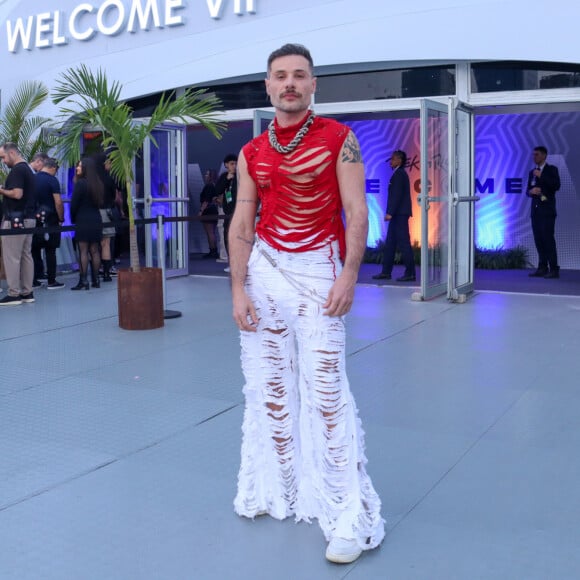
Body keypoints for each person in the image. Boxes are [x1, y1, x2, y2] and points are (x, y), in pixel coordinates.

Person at [228, 43, 385, 564]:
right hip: (263, 277)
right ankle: (283, 492)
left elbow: (356, 211)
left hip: (320, 275)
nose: (289, 83)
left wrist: (350, 273)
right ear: (268, 87)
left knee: (326, 395)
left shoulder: (341, 140)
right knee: (271, 393)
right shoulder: (252, 151)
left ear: (314, 85)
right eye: (280, 76)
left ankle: (347, 516)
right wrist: (236, 287)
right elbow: (242, 222)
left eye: (299, 76)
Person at [0, 142, 36, 305]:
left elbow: (16, 194)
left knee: (12, 257)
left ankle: (14, 293)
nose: (3, 161)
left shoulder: (17, 171)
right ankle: (27, 292)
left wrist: (1, 190)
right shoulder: (28, 170)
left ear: (12, 153)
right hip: (29, 218)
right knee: (26, 255)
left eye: (3, 157)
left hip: (15, 220)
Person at [372, 149, 416, 282]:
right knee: (390, 244)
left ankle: (410, 273)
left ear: (399, 161)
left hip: (399, 215)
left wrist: (390, 212)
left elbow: (397, 196)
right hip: (397, 214)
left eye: (392, 159)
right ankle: (386, 272)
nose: (390, 161)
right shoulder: (398, 174)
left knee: (404, 244)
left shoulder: (399, 175)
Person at [526, 145, 561, 278]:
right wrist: (531, 191)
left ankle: (554, 268)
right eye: (533, 154)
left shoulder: (552, 170)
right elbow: (527, 191)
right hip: (535, 212)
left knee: (548, 240)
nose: (534, 157)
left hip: (547, 211)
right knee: (538, 240)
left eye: (537, 154)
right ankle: (542, 267)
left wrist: (542, 176)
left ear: (544, 156)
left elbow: (556, 186)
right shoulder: (532, 172)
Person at [70, 157, 103, 290]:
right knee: (94, 251)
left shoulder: (81, 184)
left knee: (83, 251)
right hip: (96, 219)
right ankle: (96, 279)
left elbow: (74, 204)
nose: (77, 168)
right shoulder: (98, 183)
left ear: (85, 169)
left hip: (83, 219)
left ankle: (83, 280)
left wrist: (72, 218)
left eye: (79, 166)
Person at [31, 157, 65, 289]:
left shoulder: (32, 178)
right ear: (53, 168)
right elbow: (58, 202)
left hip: (34, 220)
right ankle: (51, 281)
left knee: (34, 250)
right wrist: (61, 218)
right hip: (51, 220)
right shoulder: (52, 180)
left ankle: (33, 280)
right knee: (51, 251)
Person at [215, 153, 238, 259]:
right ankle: (231, 261)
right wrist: (227, 179)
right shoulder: (224, 176)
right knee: (227, 234)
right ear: (226, 165)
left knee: (239, 236)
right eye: (232, 164)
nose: (234, 166)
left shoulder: (240, 176)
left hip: (240, 212)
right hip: (228, 211)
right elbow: (217, 190)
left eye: (236, 164)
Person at [198, 169, 218, 258]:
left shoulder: (209, 186)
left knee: (210, 232)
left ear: (211, 176)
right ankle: (213, 250)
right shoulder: (213, 185)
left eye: (207, 174)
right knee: (211, 232)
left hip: (208, 211)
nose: (205, 176)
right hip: (212, 211)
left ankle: (213, 251)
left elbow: (206, 200)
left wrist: (201, 211)